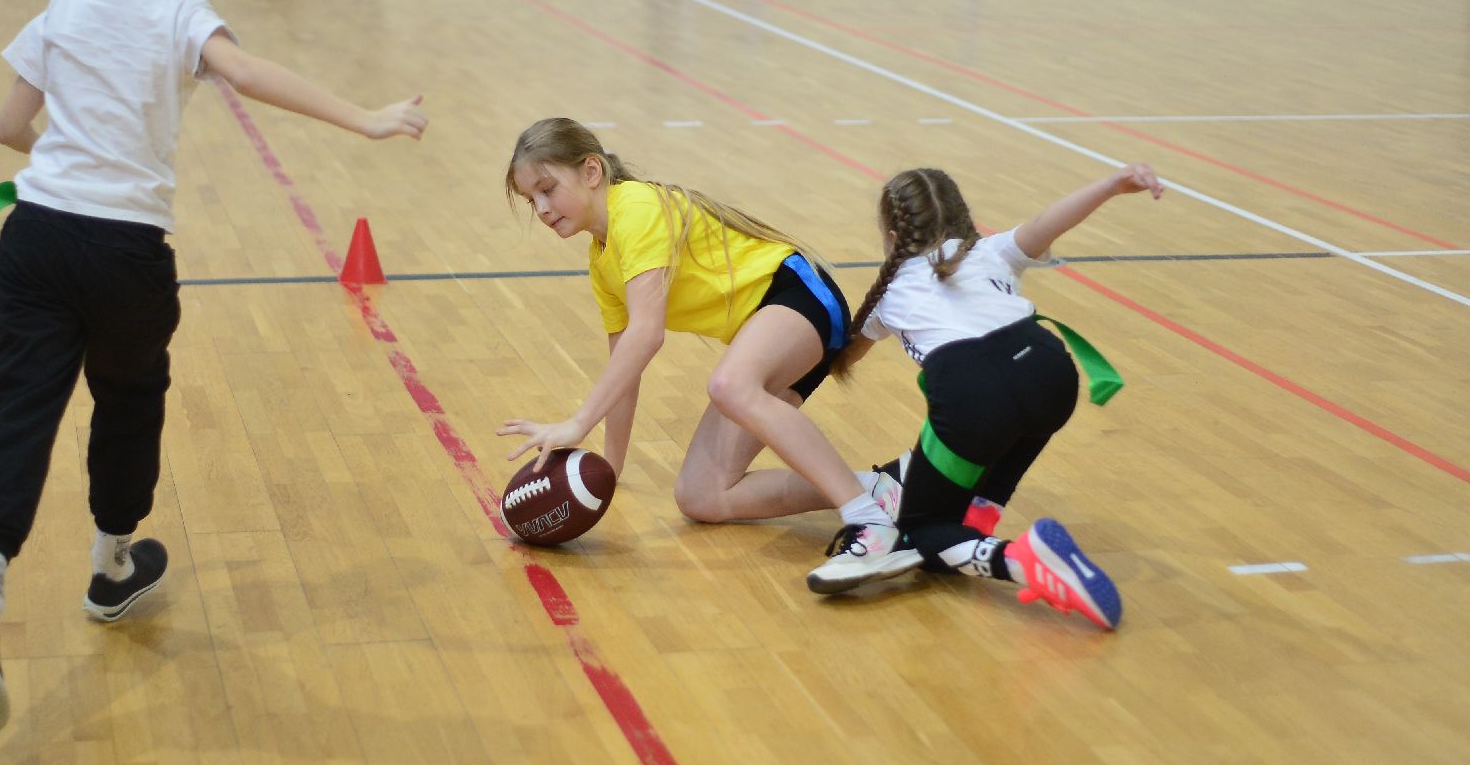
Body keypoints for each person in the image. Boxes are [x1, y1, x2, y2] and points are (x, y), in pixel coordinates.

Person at [0, 0, 428, 734]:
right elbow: (245, 74)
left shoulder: (63, 7)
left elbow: (10, 125)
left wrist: (62, 152)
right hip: (125, 252)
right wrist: (367, 118)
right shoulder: (181, 16)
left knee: (21, 407)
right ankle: (112, 563)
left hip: (37, 237)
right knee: (129, 400)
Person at [498, 118, 920, 591]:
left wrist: (577, 423)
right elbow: (625, 366)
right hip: (764, 333)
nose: (540, 208)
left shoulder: (634, 208)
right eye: (530, 198)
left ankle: (869, 524)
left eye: (547, 189)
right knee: (702, 497)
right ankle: (882, 489)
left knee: (729, 386)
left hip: (797, 296)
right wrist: (608, 472)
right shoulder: (601, 258)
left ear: (592, 171)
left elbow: (647, 335)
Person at [828, 163, 1164, 626]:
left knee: (920, 532)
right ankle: (975, 522)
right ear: (962, 214)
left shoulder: (888, 296)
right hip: (1050, 371)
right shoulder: (992, 251)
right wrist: (1111, 185)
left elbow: (842, 356)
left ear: (891, 235)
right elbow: (1051, 219)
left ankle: (1024, 560)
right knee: (1017, 428)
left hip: (975, 395)